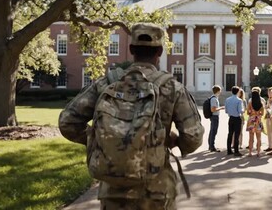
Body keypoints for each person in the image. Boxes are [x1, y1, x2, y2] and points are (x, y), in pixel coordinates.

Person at [58, 23, 204, 210]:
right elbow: (193, 137)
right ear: (159, 51)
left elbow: (67, 121)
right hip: (156, 190)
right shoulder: (172, 88)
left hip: (113, 190)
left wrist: (101, 139)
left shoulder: (107, 82)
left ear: (131, 49)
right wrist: (169, 141)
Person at [225, 86, 244, 157]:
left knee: (230, 134)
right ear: (238, 91)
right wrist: (243, 110)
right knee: (236, 135)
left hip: (231, 118)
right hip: (237, 118)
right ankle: (236, 151)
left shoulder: (227, 99)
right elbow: (240, 111)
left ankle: (229, 150)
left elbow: (226, 111)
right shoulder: (239, 100)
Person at [246, 87, 265, 157]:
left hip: (251, 120)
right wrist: (258, 114)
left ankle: (250, 152)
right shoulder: (261, 103)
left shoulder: (250, 103)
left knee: (251, 137)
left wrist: (252, 113)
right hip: (258, 120)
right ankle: (258, 152)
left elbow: (248, 112)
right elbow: (262, 113)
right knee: (259, 137)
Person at [208, 85, 225, 152]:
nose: (220, 92)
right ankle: (212, 146)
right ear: (218, 91)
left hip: (214, 116)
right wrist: (221, 108)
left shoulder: (214, 98)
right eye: (220, 90)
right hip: (214, 116)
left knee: (212, 130)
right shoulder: (214, 99)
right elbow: (213, 109)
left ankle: (210, 145)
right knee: (213, 131)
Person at [264, 87, 272, 152]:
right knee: (268, 132)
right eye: (268, 92)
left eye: (269, 92)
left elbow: (271, 109)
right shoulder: (269, 99)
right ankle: (270, 146)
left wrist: (267, 108)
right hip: (268, 117)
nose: (268, 94)